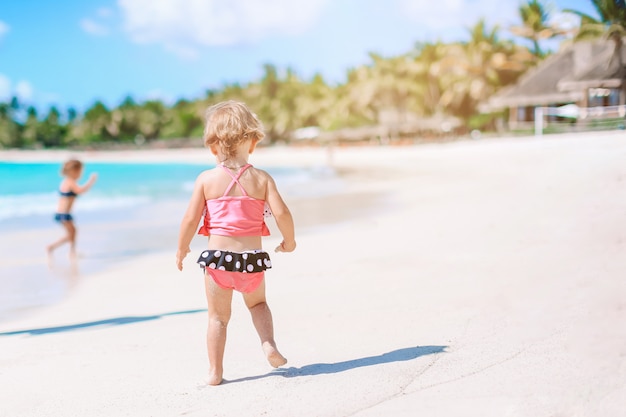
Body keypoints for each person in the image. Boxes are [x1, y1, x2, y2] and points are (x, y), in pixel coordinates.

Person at [176, 100, 296, 386]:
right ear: (252, 143)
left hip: (218, 261)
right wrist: (289, 241)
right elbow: (282, 213)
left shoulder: (206, 179)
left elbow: (190, 219)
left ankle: (215, 372)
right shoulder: (261, 179)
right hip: (252, 260)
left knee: (217, 318)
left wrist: (182, 248)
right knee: (258, 306)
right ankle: (268, 344)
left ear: (213, 146)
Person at [47, 159, 97, 259]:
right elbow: (81, 191)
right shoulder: (70, 182)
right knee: (72, 233)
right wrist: (91, 181)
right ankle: (53, 247)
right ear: (74, 171)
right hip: (63, 213)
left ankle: (70, 251)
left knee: (73, 232)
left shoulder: (66, 182)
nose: (81, 174)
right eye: (80, 172)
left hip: (63, 213)